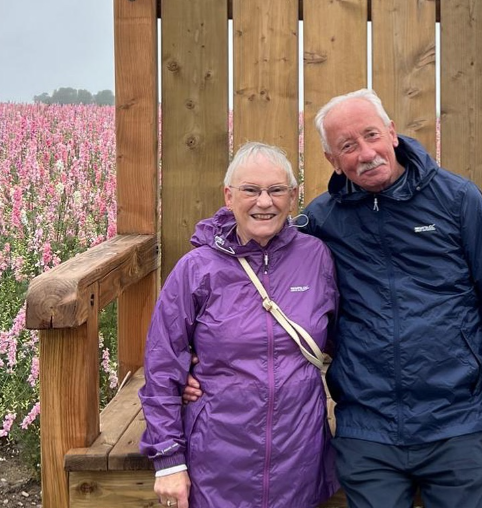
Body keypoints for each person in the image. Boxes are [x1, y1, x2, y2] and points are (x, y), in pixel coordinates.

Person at [185, 89, 482, 508]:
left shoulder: (457, 200)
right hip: (367, 425)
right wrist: (195, 354)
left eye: (371, 135)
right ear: (332, 160)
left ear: (392, 133)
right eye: (348, 146)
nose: (366, 153)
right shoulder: (321, 221)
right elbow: (251, 253)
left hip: (456, 419)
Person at [139, 142, 339, 508]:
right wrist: (168, 459)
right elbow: (162, 362)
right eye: (251, 190)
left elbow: (342, 339)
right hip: (217, 458)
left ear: (292, 198)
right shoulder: (197, 268)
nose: (265, 202)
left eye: (276, 190)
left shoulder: (316, 258)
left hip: (299, 453)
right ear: (229, 196)